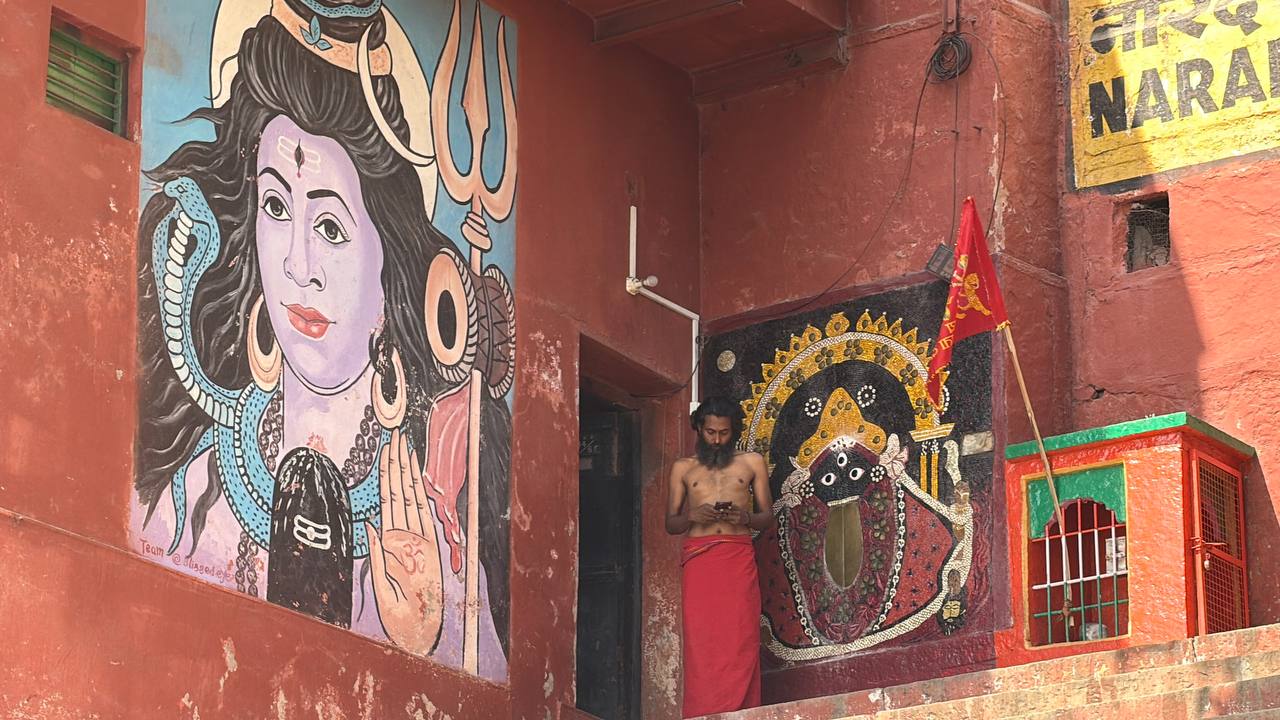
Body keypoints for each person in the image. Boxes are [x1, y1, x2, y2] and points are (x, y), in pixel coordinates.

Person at [133, 0, 510, 679]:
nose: (297, 264)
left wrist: (426, 636)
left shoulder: (429, 528)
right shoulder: (195, 490)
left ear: (390, 263)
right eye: (276, 207)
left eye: (331, 227)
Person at [665, 396, 774, 717]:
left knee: (740, 635)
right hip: (700, 561)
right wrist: (693, 516)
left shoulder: (752, 463)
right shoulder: (683, 468)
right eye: (710, 432)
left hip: (737, 557)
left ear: (733, 431)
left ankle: (741, 712)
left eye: (723, 433)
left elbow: (767, 516)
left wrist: (746, 518)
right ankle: (703, 712)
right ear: (699, 429)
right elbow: (670, 523)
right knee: (702, 641)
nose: (716, 440)